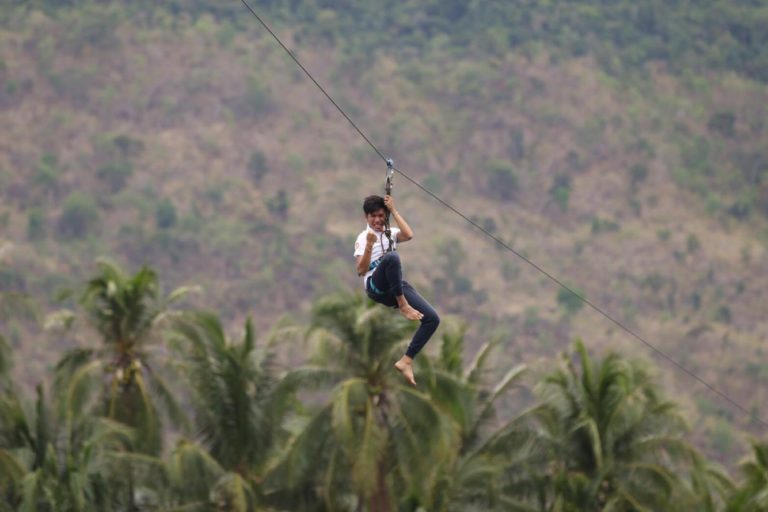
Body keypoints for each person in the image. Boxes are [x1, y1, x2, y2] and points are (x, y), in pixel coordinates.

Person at [353, 194, 440, 386]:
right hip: (376, 287)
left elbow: (408, 234)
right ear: (366, 217)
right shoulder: (363, 238)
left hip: (395, 286)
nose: (377, 220)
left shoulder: (389, 233)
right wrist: (369, 246)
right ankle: (403, 305)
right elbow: (361, 270)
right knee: (392, 258)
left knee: (432, 319)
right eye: (373, 216)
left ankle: (406, 361)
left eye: (381, 216)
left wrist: (393, 210)